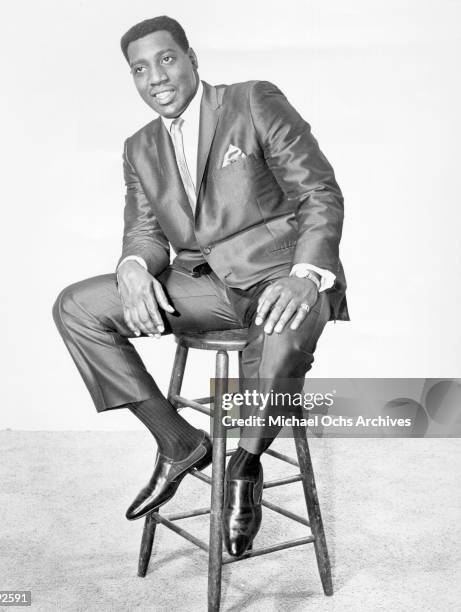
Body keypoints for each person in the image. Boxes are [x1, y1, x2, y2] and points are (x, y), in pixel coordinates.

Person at [53, 15, 349, 557]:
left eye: (166, 59)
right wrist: (133, 268)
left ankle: (245, 464)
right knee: (77, 307)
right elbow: (144, 231)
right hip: (203, 287)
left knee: (279, 332)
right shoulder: (138, 147)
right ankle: (179, 442)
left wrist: (307, 276)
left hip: (282, 275)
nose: (155, 77)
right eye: (139, 69)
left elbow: (320, 193)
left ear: (192, 58)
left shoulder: (252, 100)